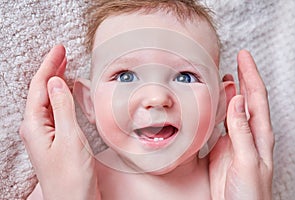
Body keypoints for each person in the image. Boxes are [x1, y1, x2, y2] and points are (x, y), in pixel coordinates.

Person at [20, 0, 274, 199]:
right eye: (126, 76)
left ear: (222, 104)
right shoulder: (67, 180)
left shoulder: (230, 182)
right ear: (89, 102)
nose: (156, 97)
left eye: (185, 77)